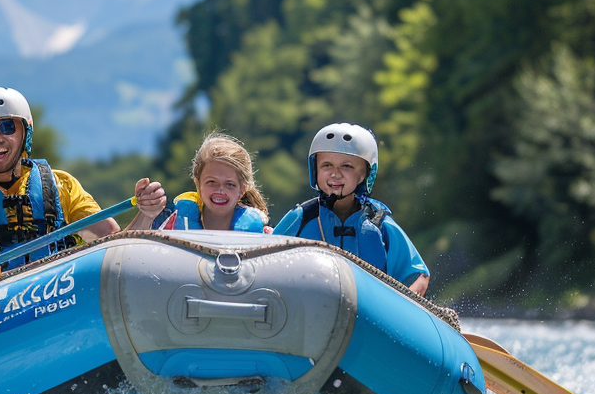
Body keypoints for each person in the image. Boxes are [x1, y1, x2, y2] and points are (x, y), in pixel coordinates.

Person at [0, 86, 167, 290]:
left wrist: (146, 214)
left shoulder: (64, 187)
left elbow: (115, 246)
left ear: (25, 132)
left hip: (58, 298)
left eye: (7, 126)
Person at [272, 122, 430, 295]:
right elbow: (266, 262)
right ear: (315, 169)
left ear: (364, 174)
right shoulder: (301, 218)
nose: (335, 173)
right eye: (326, 165)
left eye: (347, 166)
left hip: (368, 313)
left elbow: (418, 276)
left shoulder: (378, 222)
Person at [159, 131, 271, 232]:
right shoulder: (171, 223)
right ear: (198, 183)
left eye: (230, 184)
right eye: (212, 182)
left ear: (242, 189)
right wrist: (147, 214)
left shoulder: (259, 236)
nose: (220, 190)